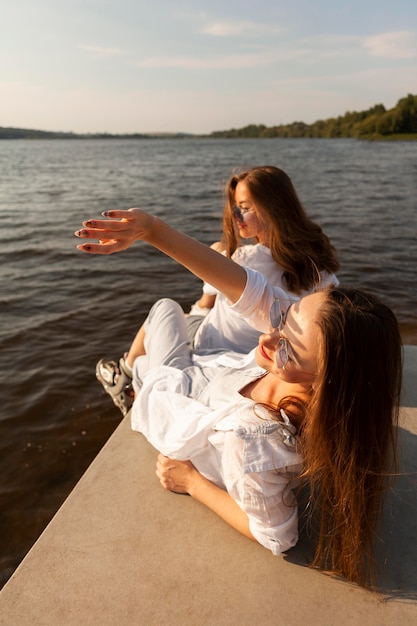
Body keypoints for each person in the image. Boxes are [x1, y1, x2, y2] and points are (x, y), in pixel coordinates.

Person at [75, 209, 402, 588]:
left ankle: (129, 389)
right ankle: (133, 376)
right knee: (165, 312)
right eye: (286, 316)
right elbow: (245, 287)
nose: (267, 338)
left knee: (154, 337)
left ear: (325, 383)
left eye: (287, 350)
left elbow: (277, 537)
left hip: (177, 396)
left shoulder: (256, 441)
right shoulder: (309, 357)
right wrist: (152, 230)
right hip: (205, 376)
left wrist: (193, 482)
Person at [95, 166, 339, 412]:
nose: (235, 216)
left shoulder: (243, 261)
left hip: (212, 350)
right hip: (259, 355)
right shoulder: (322, 268)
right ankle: (125, 374)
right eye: (235, 207)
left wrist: (151, 229)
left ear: (274, 208)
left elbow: (205, 304)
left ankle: (124, 376)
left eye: (244, 208)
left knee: (164, 312)